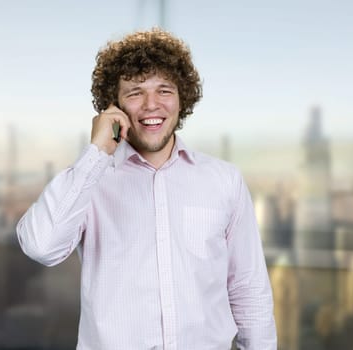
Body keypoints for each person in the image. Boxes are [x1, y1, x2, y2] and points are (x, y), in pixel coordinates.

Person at [17, 28, 276, 350]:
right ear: (114, 105)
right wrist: (97, 151)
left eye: (164, 90)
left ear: (183, 99)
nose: (151, 105)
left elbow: (248, 287)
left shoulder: (224, 180)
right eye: (135, 92)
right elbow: (42, 246)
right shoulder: (89, 181)